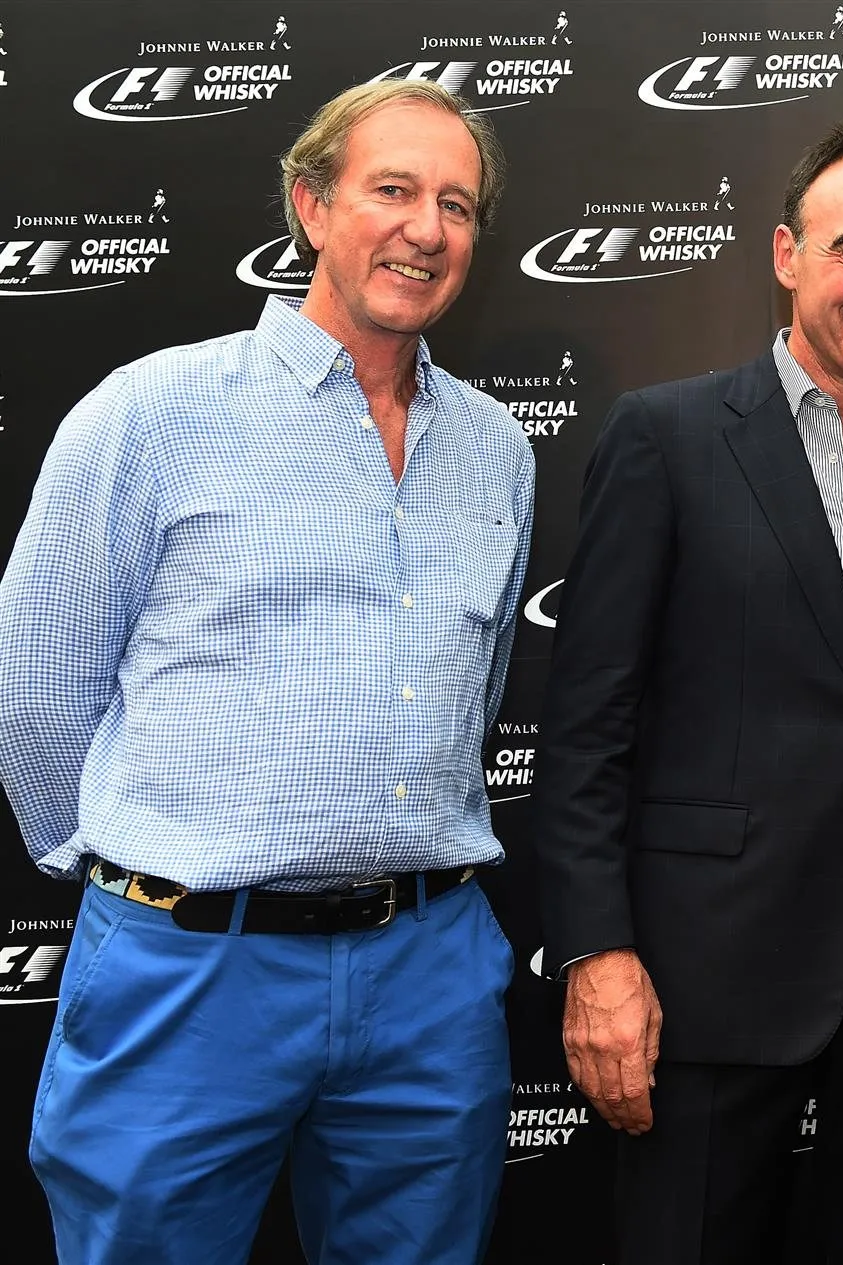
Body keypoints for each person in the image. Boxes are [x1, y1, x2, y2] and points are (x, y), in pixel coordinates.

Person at [0, 79, 530, 1265]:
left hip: (426, 973)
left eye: (456, 203)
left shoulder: (497, 450)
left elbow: (475, 687)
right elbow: (38, 689)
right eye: (391, 189)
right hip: (188, 974)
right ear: (310, 204)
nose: (426, 227)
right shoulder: (153, 412)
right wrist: (141, 884)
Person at [536, 120, 843, 1265]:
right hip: (706, 962)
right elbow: (589, 720)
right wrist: (598, 954)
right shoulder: (667, 435)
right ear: (787, 253)